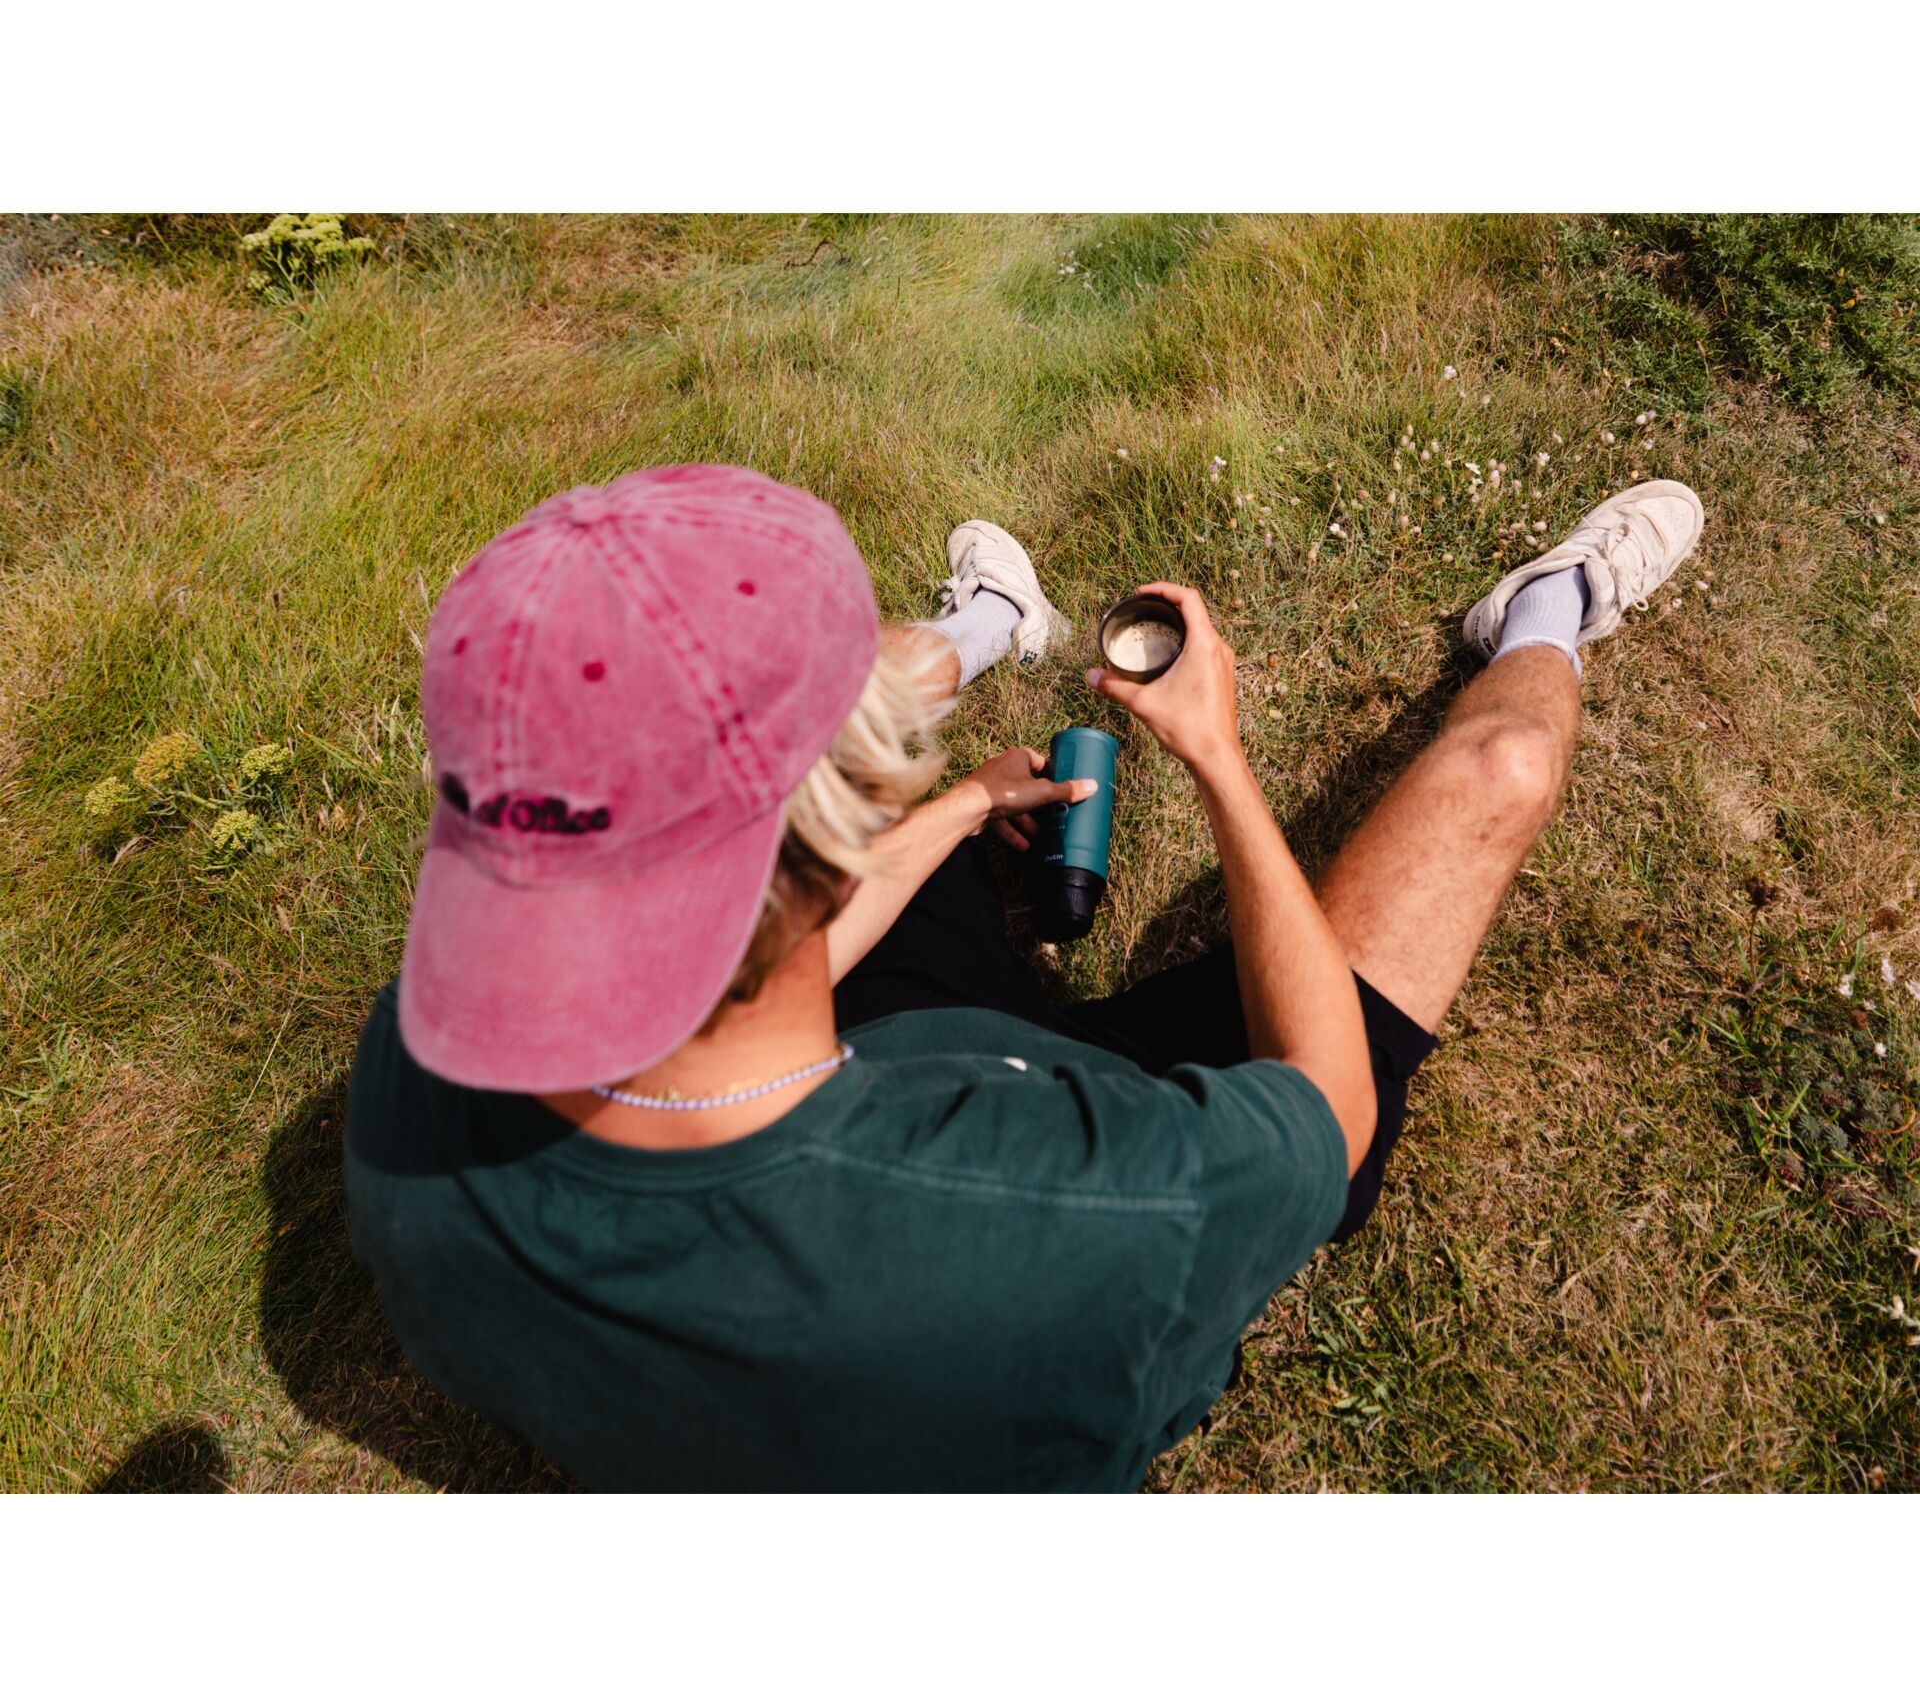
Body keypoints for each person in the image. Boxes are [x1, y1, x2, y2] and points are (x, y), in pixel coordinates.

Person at [345, 463, 1704, 1491]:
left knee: (936, 802)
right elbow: (1325, 1107)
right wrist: (1219, 764)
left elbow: (769, 932)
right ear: (824, 849)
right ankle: (1548, 607)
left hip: (863, 1051)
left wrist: (942, 811)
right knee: (1499, 777)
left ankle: (994, 620)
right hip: (1049, 1133)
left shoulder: (418, 1091)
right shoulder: (1087, 1211)